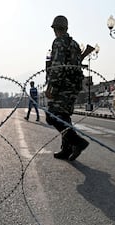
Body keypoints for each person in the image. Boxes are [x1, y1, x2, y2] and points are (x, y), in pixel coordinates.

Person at [45, 15, 89, 161]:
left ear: (55, 29)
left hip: (62, 85)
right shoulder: (74, 44)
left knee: (52, 116)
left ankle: (77, 142)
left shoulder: (59, 42)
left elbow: (57, 67)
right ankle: (67, 148)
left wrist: (52, 87)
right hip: (74, 85)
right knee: (64, 117)